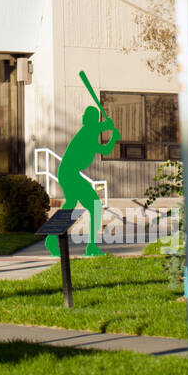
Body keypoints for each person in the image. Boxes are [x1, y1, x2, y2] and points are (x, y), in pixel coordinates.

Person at [47, 102, 120, 258]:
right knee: (95, 207)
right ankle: (90, 247)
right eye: (92, 119)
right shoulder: (88, 132)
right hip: (69, 173)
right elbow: (103, 139)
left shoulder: (89, 132)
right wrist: (111, 131)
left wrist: (111, 133)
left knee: (72, 204)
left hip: (68, 173)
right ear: (90, 120)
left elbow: (104, 144)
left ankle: (52, 239)